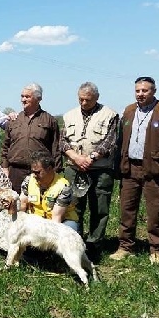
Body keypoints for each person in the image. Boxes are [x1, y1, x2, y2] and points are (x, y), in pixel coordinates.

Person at [110, 76, 159, 264]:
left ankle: (156, 249)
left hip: (155, 169)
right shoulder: (127, 111)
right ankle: (125, 246)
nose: (141, 94)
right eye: (138, 91)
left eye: (145, 90)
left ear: (154, 91)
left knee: (156, 210)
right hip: (130, 168)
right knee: (127, 209)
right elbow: (119, 141)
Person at [60, 82, 119, 257]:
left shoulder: (110, 115)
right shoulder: (69, 115)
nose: (84, 103)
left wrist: (91, 158)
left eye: (88, 100)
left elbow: (110, 141)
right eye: (81, 99)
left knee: (99, 208)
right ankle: (74, 242)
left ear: (97, 98)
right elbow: (63, 141)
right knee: (73, 206)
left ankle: (94, 245)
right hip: (74, 167)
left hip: (100, 169)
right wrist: (76, 158)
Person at [1, 83, 61, 193]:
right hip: (15, 172)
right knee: (15, 205)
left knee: (37, 206)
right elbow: (5, 147)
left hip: (40, 172)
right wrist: (4, 168)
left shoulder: (49, 120)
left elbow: (56, 148)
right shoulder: (14, 120)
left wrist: (55, 172)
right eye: (22, 96)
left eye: (27, 97)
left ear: (38, 98)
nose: (23, 100)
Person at [19, 150, 79, 231]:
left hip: (59, 221)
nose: (34, 175)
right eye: (32, 172)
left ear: (49, 169)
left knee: (70, 227)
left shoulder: (63, 187)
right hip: (36, 221)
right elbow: (22, 205)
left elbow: (56, 218)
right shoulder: (29, 180)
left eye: (37, 172)